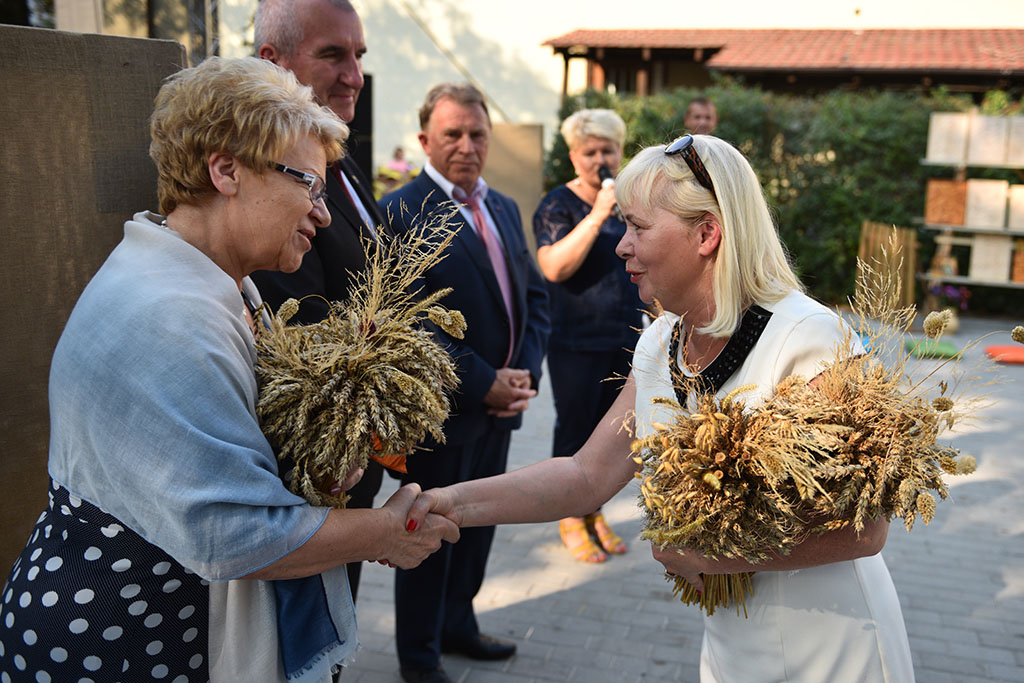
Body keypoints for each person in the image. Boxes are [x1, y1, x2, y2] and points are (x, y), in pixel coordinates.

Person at [0, 57, 458, 683]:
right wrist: (381, 533)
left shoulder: (214, 285)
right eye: (309, 185)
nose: (322, 214)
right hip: (120, 635)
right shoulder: (171, 314)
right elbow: (234, 534)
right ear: (226, 170)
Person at [410, 134, 915, 682]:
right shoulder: (660, 342)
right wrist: (451, 503)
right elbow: (585, 476)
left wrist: (705, 554)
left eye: (638, 227)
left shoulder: (810, 336)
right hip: (733, 641)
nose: (620, 245)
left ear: (706, 234)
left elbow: (866, 529)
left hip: (834, 643)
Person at [378, 83, 551, 683]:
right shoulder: (400, 211)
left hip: (503, 412)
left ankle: (459, 626)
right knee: (428, 537)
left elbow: (533, 295)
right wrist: (483, 381)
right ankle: (419, 658)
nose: (467, 145)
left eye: (477, 134)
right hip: (443, 415)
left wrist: (525, 370)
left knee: (479, 528)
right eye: (452, 134)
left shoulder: (503, 206)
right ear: (426, 139)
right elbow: (407, 318)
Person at [252, 0, 394, 604]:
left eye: (358, 55)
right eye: (332, 54)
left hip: (357, 453)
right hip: (304, 471)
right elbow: (297, 324)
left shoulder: (342, 160)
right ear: (272, 61)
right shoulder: (260, 175)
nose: (354, 75)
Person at [532, 108, 641, 563]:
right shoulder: (558, 204)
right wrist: (596, 216)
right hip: (575, 341)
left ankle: (593, 510)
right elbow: (554, 267)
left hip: (626, 334)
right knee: (575, 431)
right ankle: (568, 514)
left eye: (608, 150)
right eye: (590, 151)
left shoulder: (630, 201)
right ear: (574, 156)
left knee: (612, 433)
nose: (600, 159)